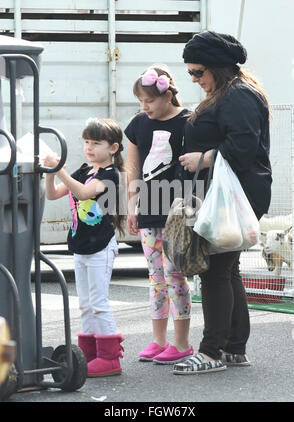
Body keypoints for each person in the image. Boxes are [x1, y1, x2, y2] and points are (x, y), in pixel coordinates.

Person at [173, 31, 272, 375]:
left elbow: (244, 146)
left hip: (234, 195)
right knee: (228, 270)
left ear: (217, 67)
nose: (195, 79)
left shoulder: (238, 96)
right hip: (232, 194)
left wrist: (203, 157)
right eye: (190, 74)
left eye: (198, 72)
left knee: (216, 271)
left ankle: (212, 351)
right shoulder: (232, 93)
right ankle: (233, 349)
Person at [44, 118, 125, 377]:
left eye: (96, 143)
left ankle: (110, 358)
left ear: (113, 148)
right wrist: (50, 173)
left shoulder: (109, 176)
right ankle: (89, 354)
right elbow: (53, 194)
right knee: (85, 303)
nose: (89, 147)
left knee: (99, 303)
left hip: (100, 246)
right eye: (87, 142)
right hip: (81, 245)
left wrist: (59, 171)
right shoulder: (83, 170)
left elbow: (82, 193)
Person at [125, 64, 194, 364]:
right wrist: (130, 207)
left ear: (167, 95)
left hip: (178, 212)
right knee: (155, 278)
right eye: (141, 102)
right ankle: (158, 340)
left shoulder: (189, 121)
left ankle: (181, 344)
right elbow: (133, 169)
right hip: (148, 211)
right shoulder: (137, 124)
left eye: (149, 101)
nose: (145, 107)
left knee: (175, 275)